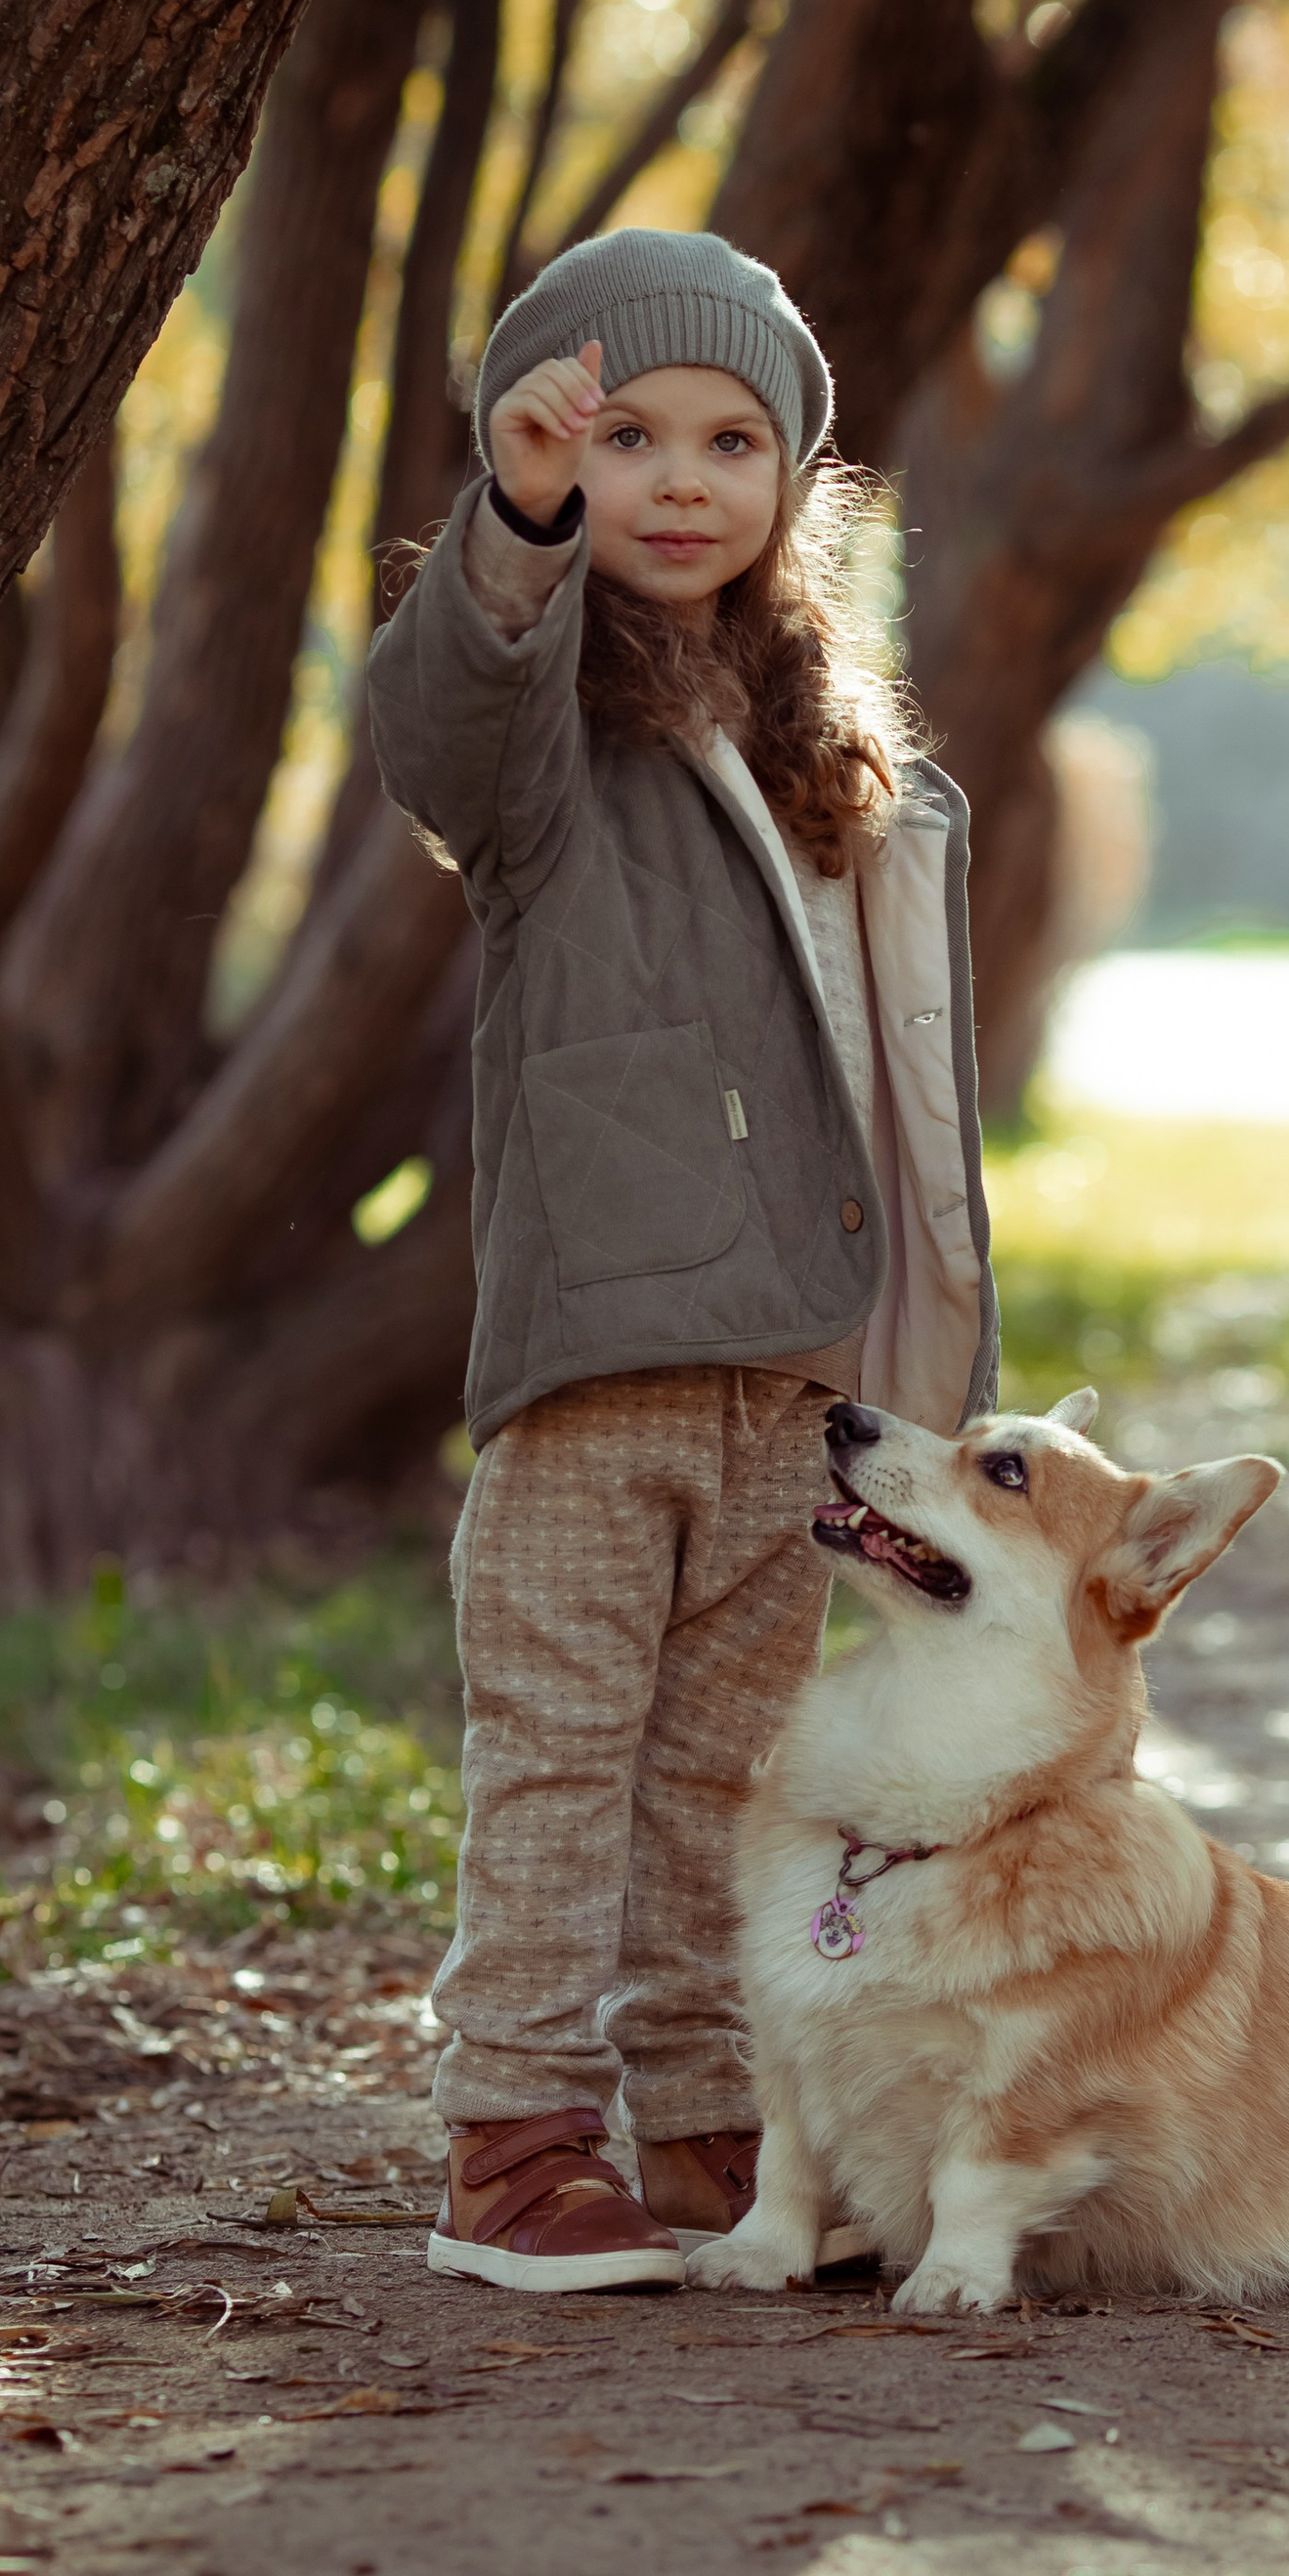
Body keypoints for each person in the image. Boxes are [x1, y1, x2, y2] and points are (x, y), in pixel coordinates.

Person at [367, 229, 998, 2294]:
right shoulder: (547, 736)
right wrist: (513, 525)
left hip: (789, 1373)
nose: (675, 476)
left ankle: (714, 2119)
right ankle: (516, 2140)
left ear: (793, 481)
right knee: (556, 1749)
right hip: (599, 1358)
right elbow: (438, 725)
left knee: (723, 1774)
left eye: (730, 438)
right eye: (619, 434)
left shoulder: (826, 737)